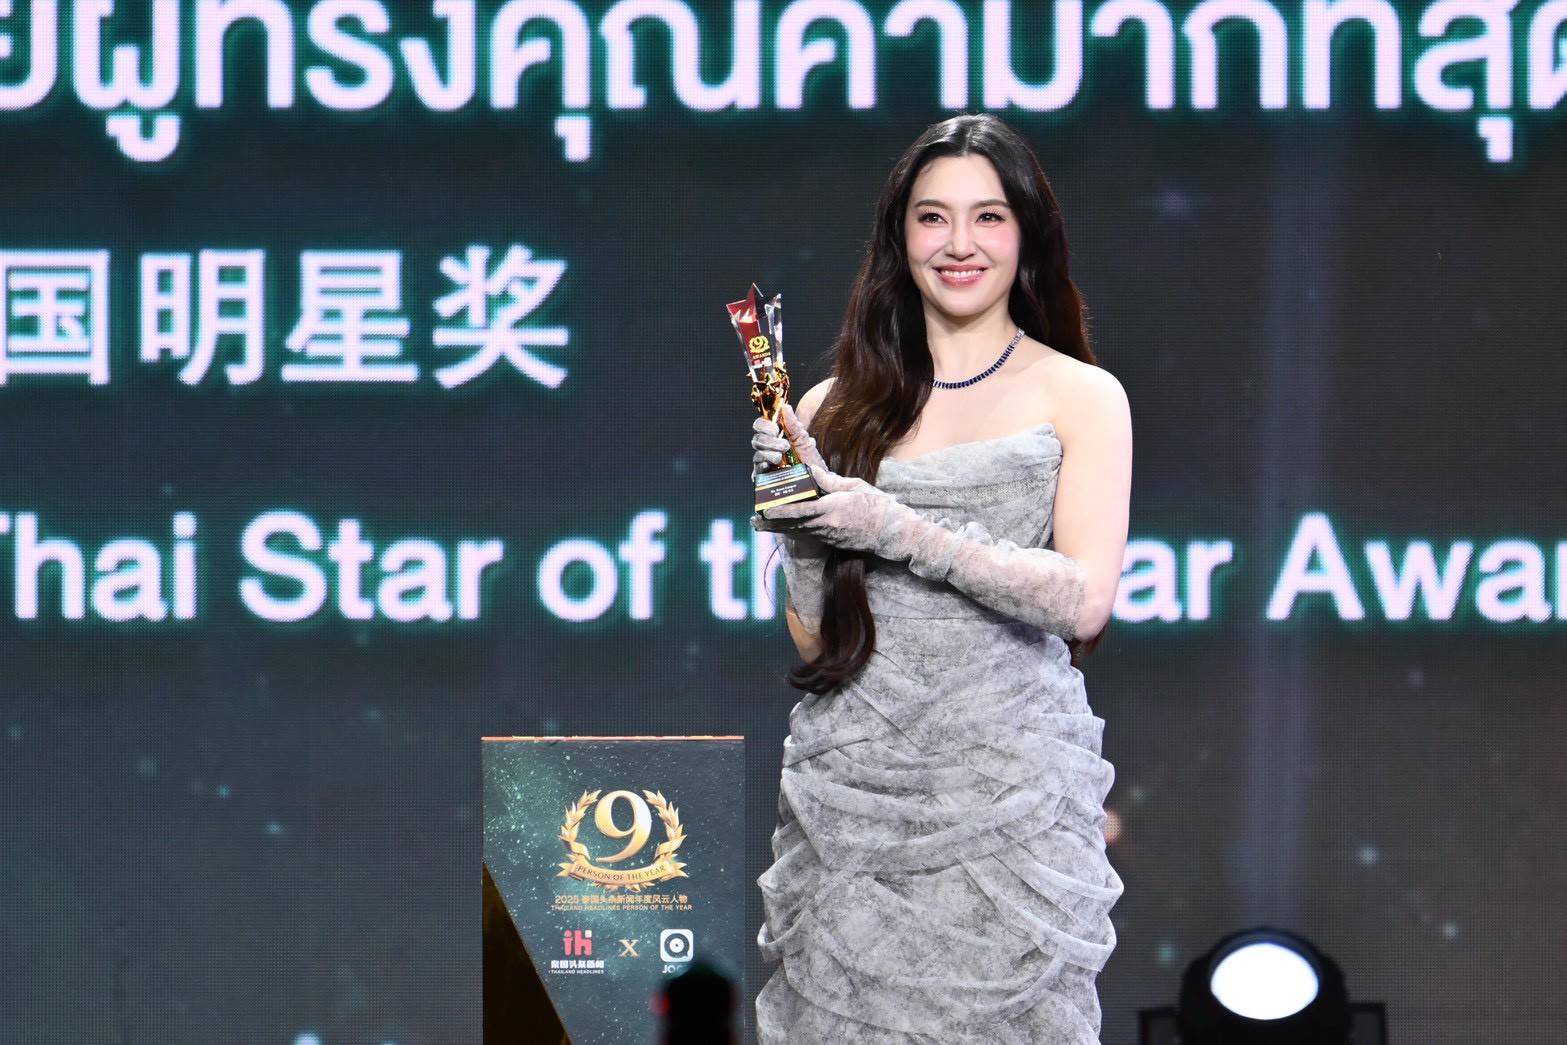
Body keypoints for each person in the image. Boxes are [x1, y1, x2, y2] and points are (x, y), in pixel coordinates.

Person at [748, 113, 1131, 1043]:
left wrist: (893, 525)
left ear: (1026, 235)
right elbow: (814, 637)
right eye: (932, 218)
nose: (959, 244)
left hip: (1006, 798)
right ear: (899, 237)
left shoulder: (1079, 394)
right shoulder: (831, 404)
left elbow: (1083, 598)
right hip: (857, 795)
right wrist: (798, 523)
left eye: (987, 217)